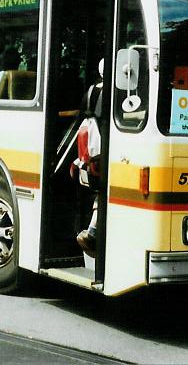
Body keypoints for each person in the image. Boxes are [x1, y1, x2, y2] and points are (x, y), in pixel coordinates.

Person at [75, 59, 105, 257]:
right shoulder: (116, 93)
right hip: (103, 147)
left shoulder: (92, 89)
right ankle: (92, 231)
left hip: (90, 148)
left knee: (98, 190)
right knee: (103, 191)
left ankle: (92, 230)